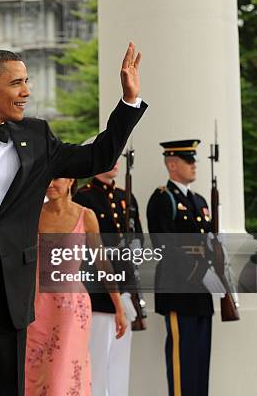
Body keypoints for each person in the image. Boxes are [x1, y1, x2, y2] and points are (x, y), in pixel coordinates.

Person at [0, 45, 147, 394]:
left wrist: (128, 102)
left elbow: (97, 156)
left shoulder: (37, 136)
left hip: (17, 295)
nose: (27, 91)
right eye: (17, 83)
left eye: (27, 82)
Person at [26, 177, 127, 395]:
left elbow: (102, 263)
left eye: (57, 178)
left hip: (71, 307)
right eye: (48, 177)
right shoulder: (33, 213)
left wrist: (118, 308)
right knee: (33, 371)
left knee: (63, 369)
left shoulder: (86, 216)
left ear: (71, 180)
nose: (50, 183)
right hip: (35, 305)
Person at [147, 139, 225, 396]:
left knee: (201, 360)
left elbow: (208, 244)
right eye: (188, 161)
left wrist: (221, 270)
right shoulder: (162, 199)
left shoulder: (200, 201)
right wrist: (202, 272)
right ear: (172, 164)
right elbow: (166, 246)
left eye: (194, 161)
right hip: (179, 292)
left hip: (201, 294)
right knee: (183, 362)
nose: (194, 166)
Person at [73, 161, 144, 396]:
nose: (114, 163)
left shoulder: (127, 197)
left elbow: (138, 237)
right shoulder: (84, 198)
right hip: (99, 293)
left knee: (120, 363)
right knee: (98, 359)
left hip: (126, 288)